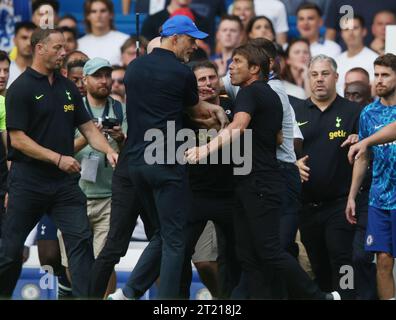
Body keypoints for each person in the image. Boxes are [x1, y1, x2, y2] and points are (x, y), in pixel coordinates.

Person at [90, 15, 228, 299]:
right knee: (175, 242)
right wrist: (216, 112)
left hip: (136, 165)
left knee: (163, 235)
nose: (194, 47)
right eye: (190, 40)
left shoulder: (134, 68)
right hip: (166, 163)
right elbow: (194, 110)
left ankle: (125, 294)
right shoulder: (181, 73)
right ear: (175, 39)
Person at [185, 43, 337, 300]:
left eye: (236, 63)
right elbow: (277, 137)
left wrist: (204, 150)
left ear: (254, 69)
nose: (229, 67)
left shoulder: (250, 92)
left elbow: (239, 126)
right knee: (247, 253)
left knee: (269, 251)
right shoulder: (272, 94)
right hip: (251, 182)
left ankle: (320, 297)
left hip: (260, 183)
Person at [0, 27, 118, 298]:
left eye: (64, 47)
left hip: (63, 185)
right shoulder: (21, 88)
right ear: (39, 48)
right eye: (57, 48)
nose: (63, 53)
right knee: (10, 251)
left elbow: (88, 128)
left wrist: (109, 152)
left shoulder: (67, 88)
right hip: (28, 181)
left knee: (80, 242)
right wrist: (58, 158)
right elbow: (17, 140)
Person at [294, 54, 361, 299]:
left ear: (335, 77)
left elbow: (366, 154)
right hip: (306, 205)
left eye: (324, 74)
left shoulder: (354, 112)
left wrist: (359, 139)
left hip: (339, 203)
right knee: (318, 265)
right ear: (307, 79)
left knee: (342, 258)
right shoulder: (295, 111)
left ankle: (348, 296)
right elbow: (280, 150)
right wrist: (293, 163)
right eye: (314, 74)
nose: (319, 80)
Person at [346, 54, 396, 300]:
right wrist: (353, 195)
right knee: (383, 261)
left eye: (385, 75)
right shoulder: (368, 113)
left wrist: (365, 141)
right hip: (379, 198)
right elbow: (363, 157)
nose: (379, 80)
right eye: (376, 75)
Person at [335, 16, 378, 96]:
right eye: (346, 29)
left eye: (355, 28)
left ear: (364, 31)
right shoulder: (336, 60)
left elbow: (374, 91)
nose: (350, 33)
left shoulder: (374, 59)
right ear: (342, 33)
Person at [78, 0, 129, 65]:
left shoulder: (125, 40)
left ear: (111, 14)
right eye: (93, 11)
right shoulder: (79, 44)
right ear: (87, 16)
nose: (98, 15)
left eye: (103, 11)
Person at [7, 22, 36, 88]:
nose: (28, 43)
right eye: (24, 38)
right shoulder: (4, 69)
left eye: (32, 39)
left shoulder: (43, 70)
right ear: (14, 40)